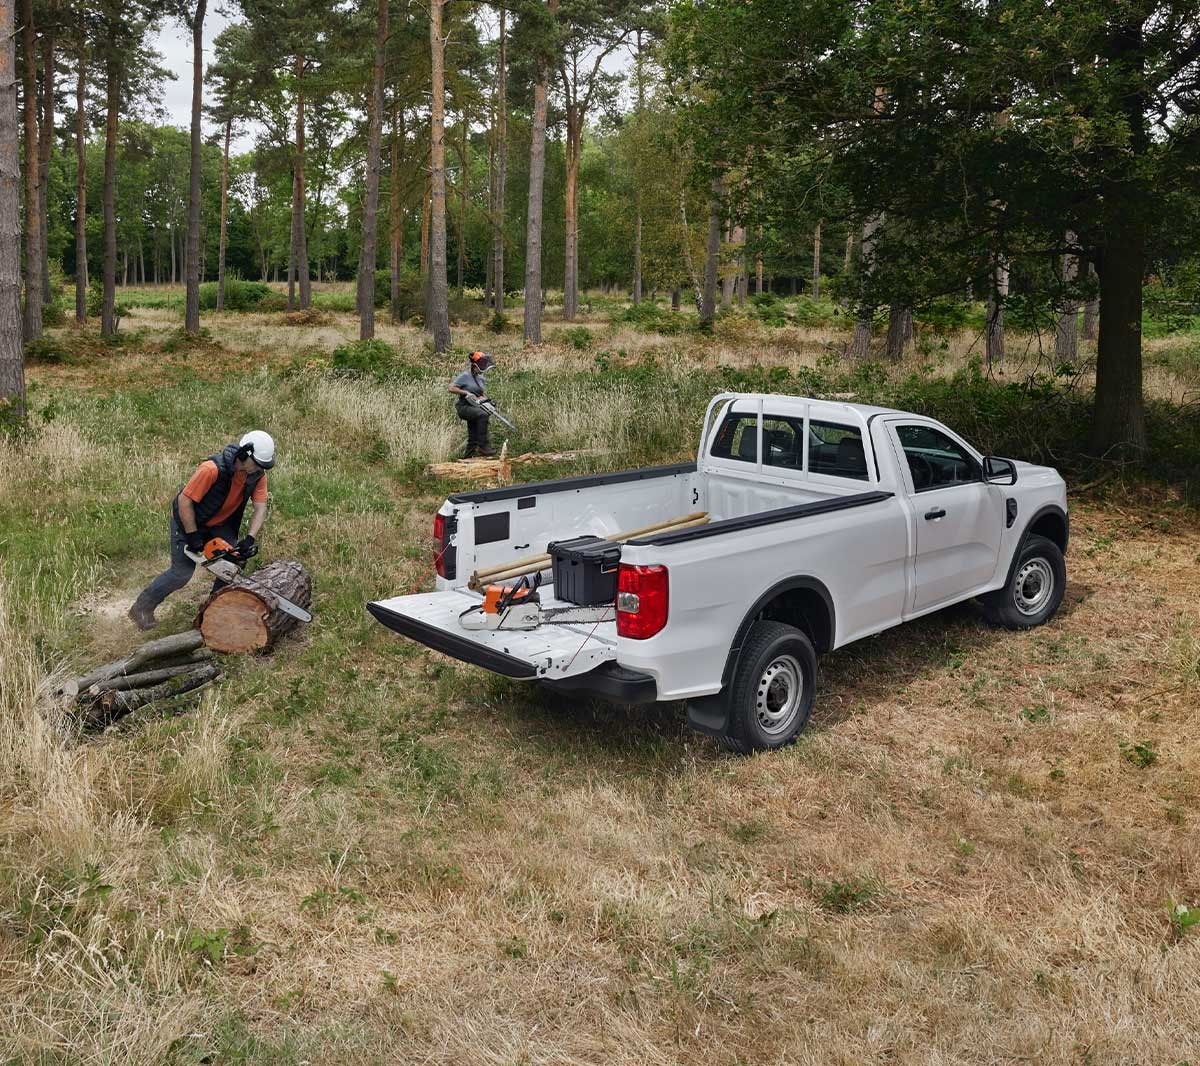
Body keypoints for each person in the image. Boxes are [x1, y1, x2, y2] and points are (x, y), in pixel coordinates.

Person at [128, 431, 276, 630]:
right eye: (256, 464)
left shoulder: (256, 476)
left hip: (220, 524)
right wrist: (193, 536)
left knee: (233, 563)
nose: (259, 469)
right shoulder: (212, 469)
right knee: (181, 573)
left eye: (262, 466)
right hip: (189, 522)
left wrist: (249, 538)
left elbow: (260, 507)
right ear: (244, 454)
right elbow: (184, 501)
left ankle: (212, 613)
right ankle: (141, 608)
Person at [449, 351, 497, 458]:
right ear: (475, 365)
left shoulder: (481, 379)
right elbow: (451, 388)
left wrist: (486, 401)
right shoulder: (465, 376)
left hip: (475, 406)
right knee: (482, 415)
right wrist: (465, 392)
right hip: (464, 407)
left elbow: (481, 394)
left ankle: (467, 458)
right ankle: (483, 446)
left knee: (473, 436)